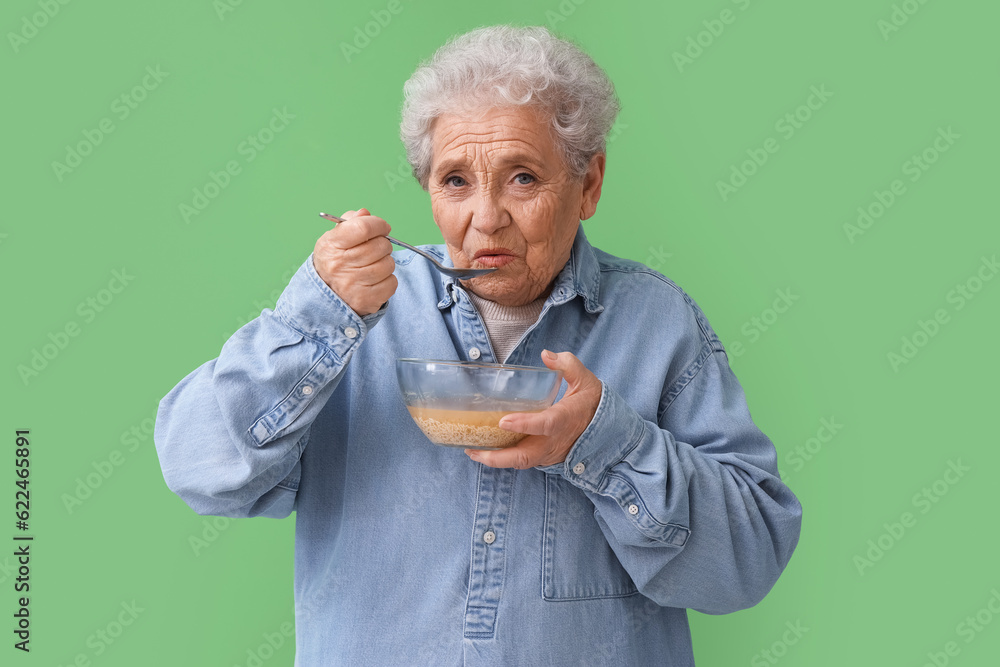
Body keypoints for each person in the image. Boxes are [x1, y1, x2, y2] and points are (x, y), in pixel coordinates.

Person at [154, 24, 802, 666]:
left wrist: (604, 443)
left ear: (590, 183)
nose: (485, 217)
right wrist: (317, 316)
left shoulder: (660, 323)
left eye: (522, 177)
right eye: (456, 180)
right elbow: (200, 470)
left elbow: (745, 564)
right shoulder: (351, 315)